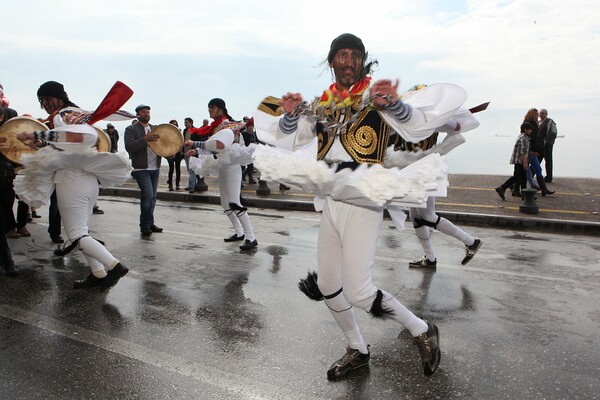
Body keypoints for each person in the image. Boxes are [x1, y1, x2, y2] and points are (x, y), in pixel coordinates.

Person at [254, 33, 455, 380]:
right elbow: (291, 138)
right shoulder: (323, 104)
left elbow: (414, 127)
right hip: (332, 201)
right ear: (331, 62)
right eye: (341, 55)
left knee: (359, 291)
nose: (348, 61)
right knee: (330, 285)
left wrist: (393, 105)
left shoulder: (374, 97)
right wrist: (288, 114)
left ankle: (421, 329)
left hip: (363, 200)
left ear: (363, 60)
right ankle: (357, 349)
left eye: (354, 55)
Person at [15, 80, 133, 290]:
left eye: (47, 98)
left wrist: (37, 134)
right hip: (85, 180)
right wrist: (41, 143)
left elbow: (82, 137)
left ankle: (114, 266)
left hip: (72, 180)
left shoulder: (65, 114)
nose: (45, 103)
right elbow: (66, 144)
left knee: (77, 235)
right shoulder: (70, 115)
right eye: (41, 100)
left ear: (59, 98)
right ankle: (98, 274)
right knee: (82, 232)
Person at [390, 111, 482, 268]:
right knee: (416, 217)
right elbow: (457, 126)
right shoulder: (433, 119)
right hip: (418, 169)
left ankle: (471, 242)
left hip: (421, 171)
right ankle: (430, 258)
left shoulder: (420, 119)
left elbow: (457, 126)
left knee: (427, 216)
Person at [186, 100, 258, 251]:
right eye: (209, 108)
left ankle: (251, 237)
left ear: (220, 109)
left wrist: (195, 144)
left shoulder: (228, 125)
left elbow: (219, 145)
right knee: (225, 203)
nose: (209, 110)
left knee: (234, 202)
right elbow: (214, 148)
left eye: (212, 107)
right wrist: (197, 152)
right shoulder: (217, 127)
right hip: (223, 165)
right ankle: (239, 232)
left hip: (232, 166)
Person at [124, 104, 163, 236]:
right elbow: (129, 147)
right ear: (138, 114)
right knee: (148, 196)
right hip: (141, 168)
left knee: (153, 198)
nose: (147, 113)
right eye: (143, 112)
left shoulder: (155, 129)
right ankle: (144, 225)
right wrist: (145, 139)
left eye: (148, 111)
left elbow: (162, 146)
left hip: (155, 167)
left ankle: (150, 223)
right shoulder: (131, 129)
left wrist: (170, 152)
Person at [495, 122, 533, 199]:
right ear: (525, 129)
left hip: (519, 161)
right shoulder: (523, 138)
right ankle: (502, 187)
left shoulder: (523, 137)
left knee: (522, 178)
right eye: (530, 130)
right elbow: (523, 152)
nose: (531, 132)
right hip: (519, 161)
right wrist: (525, 163)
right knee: (517, 177)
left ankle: (525, 195)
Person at [524, 108, 554, 196]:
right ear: (532, 115)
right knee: (524, 171)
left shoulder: (534, 123)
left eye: (540, 114)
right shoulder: (531, 124)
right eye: (537, 114)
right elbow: (532, 139)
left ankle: (543, 189)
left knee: (537, 169)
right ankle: (508, 186)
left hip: (533, 150)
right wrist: (534, 151)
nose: (538, 116)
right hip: (531, 151)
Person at [538, 108, 557, 183]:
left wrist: (548, 143)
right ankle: (531, 174)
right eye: (540, 113)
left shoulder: (550, 122)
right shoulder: (539, 122)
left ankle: (549, 177)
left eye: (542, 113)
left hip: (547, 144)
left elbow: (552, 133)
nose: (541, 115)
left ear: (546, 114)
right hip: (540, 144)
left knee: (548, 160)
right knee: (538, 159)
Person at [166, 119, 183, 191]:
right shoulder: (167, 133)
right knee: (171, 169)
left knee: (178, 168)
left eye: (175, 124)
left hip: (178, 152)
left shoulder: (179, 131)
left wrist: (180, 149)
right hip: (170, 152)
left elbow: (182, 141)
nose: (174, 125)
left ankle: (177, 184)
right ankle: (170, 185)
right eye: (173, 124)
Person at [183, 117, 197, 192]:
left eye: (186, 122)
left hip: (192, 153)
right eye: (184, 122)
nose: (185, 124)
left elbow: (197, 141)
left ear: (191, 123)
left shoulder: (195, 131)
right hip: (185, 153)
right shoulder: (185, 131)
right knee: (189, 170)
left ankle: (192, 186)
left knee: (192, 170)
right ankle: (191, 184)